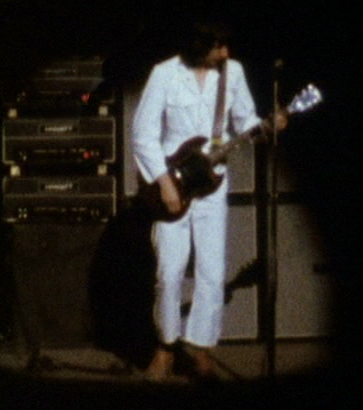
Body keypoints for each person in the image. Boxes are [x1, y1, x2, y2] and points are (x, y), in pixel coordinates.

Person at [132, 21, 287, 381]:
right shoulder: (165, 74)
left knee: (212, 273)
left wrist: (268, 125)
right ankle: (166, 347)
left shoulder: (233, 73)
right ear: (199, 45)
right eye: (219, 47)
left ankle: (201, 349)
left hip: (213, 185)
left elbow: (244, 119)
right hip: (172, 182)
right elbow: (142, 134)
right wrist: (164, 182)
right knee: (169, 274)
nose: (226, 53)